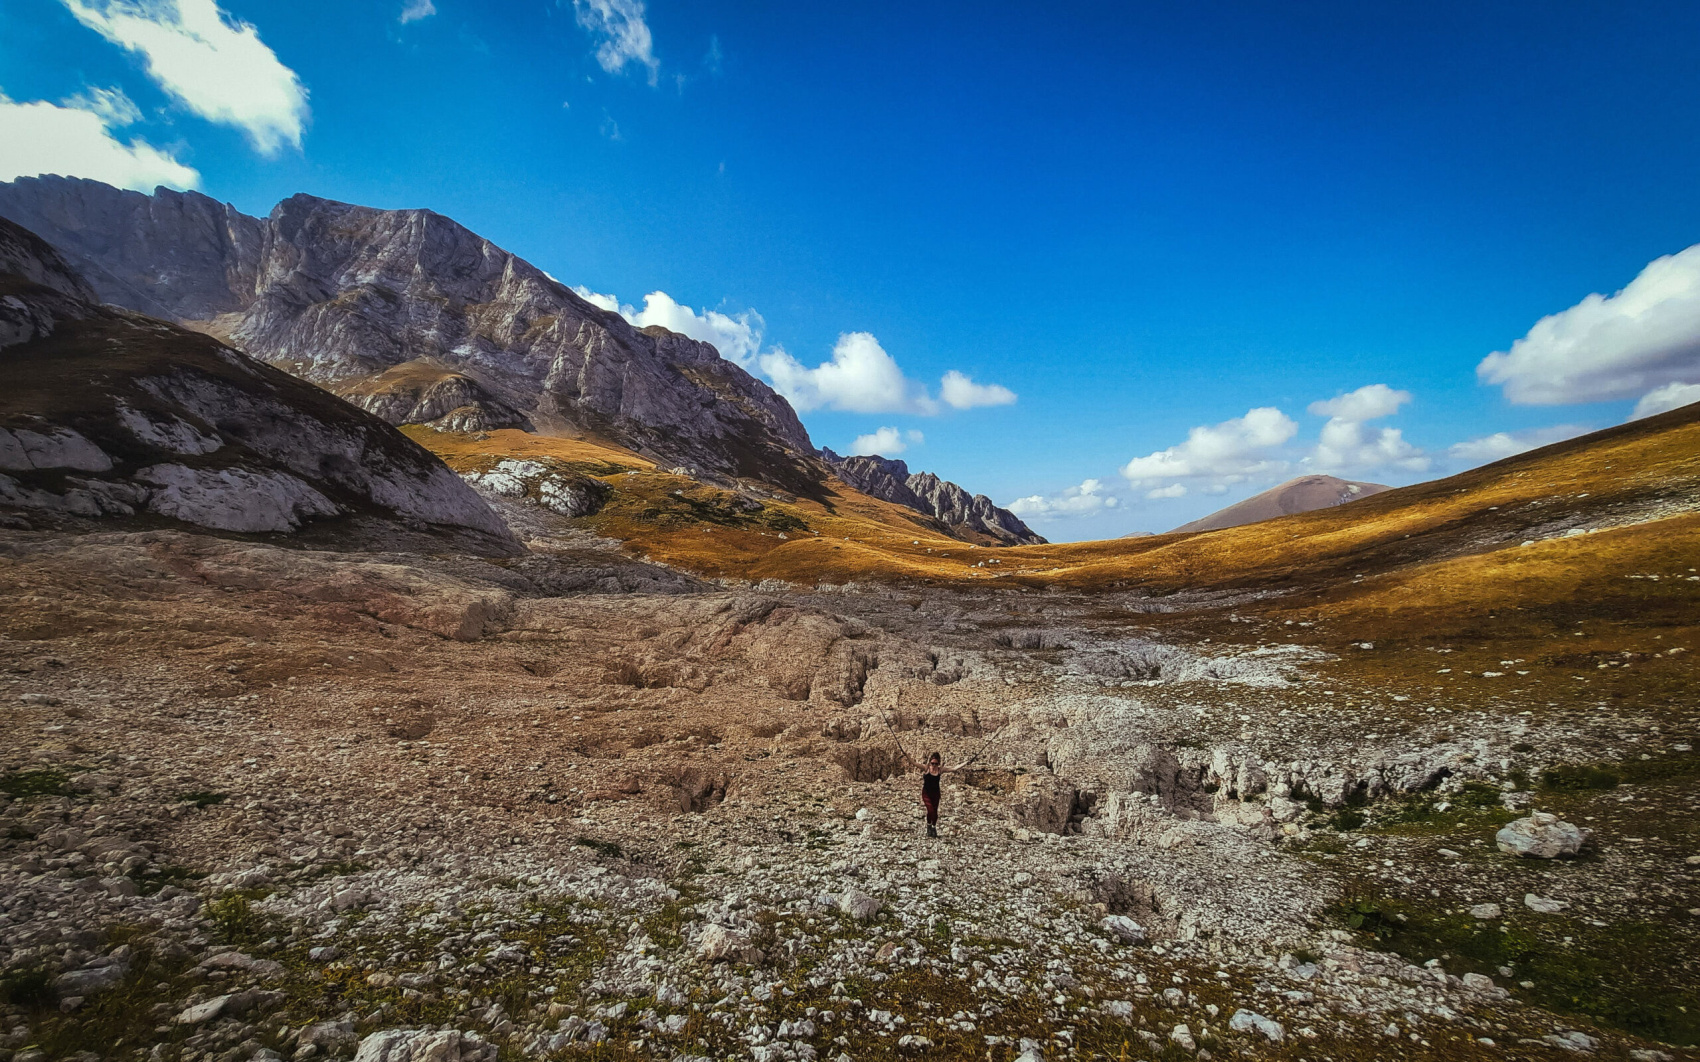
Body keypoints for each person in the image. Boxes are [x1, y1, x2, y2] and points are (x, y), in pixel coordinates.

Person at [906, 750, 968, 838]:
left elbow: (954, 768)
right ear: (930, 762)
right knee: (930, 810)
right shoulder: (926, 768)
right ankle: (928, 825)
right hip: (926, 793)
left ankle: (933, 827)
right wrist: (907, 756)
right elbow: (914, 763)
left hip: (936, 794)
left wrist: (966, 763)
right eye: (932, 763)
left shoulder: (940, 770)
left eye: (936, 764)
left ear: (938, 763)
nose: (934, 765)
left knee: (935, 812)